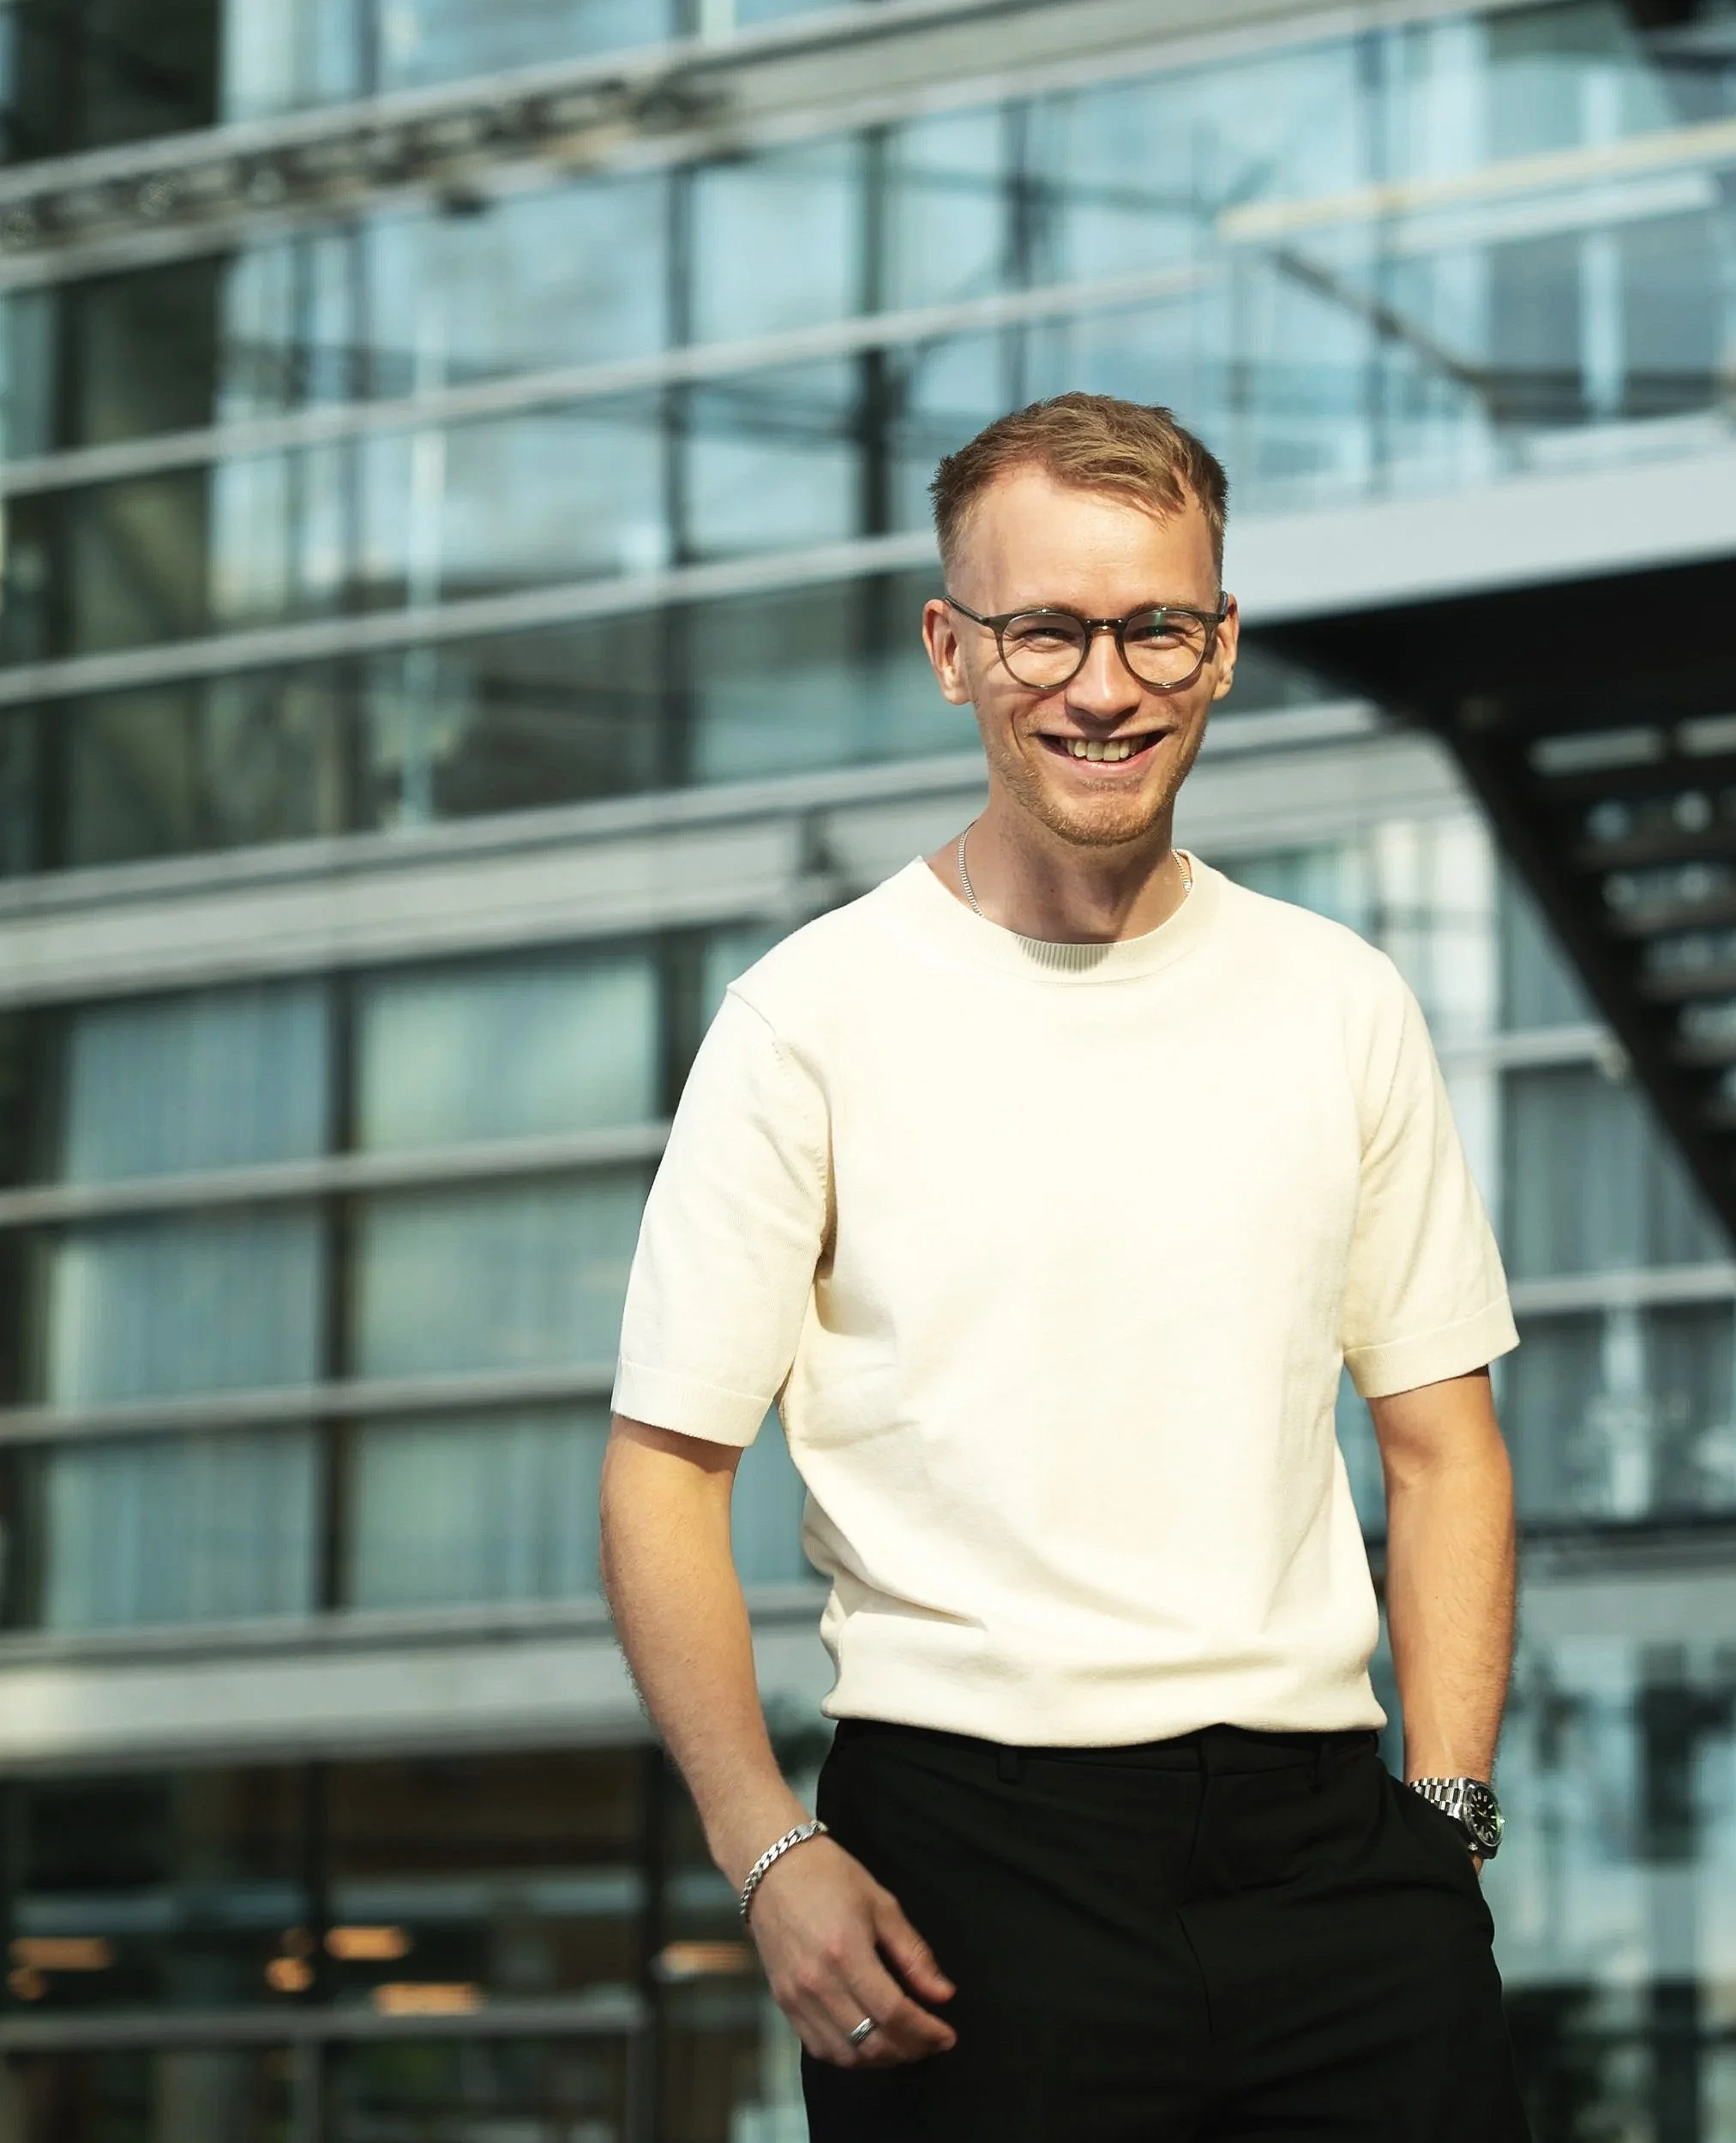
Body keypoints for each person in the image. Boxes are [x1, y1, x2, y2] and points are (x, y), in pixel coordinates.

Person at [600, 392, 1529, 2142]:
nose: (1102, 685)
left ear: (1220, 646)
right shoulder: (810, 1016)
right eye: (1044, 629)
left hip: (1332, 1858)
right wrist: (765, 1850)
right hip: (964, 1877)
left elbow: (1442, 1440)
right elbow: (662, 1471)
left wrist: (1449, 1810)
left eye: (1153, 624)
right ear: (952, 651)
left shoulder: (1339, 998)